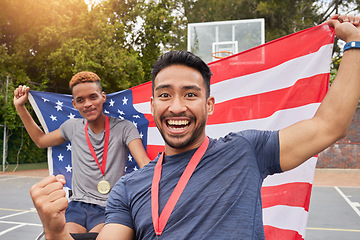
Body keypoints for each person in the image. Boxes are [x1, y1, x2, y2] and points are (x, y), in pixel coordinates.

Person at [30, 15, 360, 240]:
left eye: (190, 94)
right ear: (153, 107)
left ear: (209, 104)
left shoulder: (245, 150)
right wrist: (56, 231)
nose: (177, 106)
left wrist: (355, 44)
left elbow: (328, 125)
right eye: (165, 95)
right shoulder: (128, 188)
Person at [14, 71, 150, 235]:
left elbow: (144, 163)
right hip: (77, 205)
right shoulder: (72, 127)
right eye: (80, 100)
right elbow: (41, 141)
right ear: (74, 104)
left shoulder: (125, 127)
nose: (87, 104)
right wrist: (20, 107)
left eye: (93, 97)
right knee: (65, 236)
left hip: (110, 205)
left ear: (103, 97)